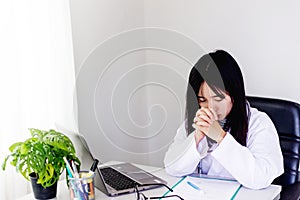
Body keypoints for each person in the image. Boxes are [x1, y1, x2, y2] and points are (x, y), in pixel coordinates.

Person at [164, 50, 284, 189]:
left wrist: (220, 137)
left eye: (218, 98)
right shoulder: (196, 122)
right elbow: (172, 167)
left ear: (235, 94)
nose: (210, 107)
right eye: (202, 100)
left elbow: (260, 178)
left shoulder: (259, 123)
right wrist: (196, 139)